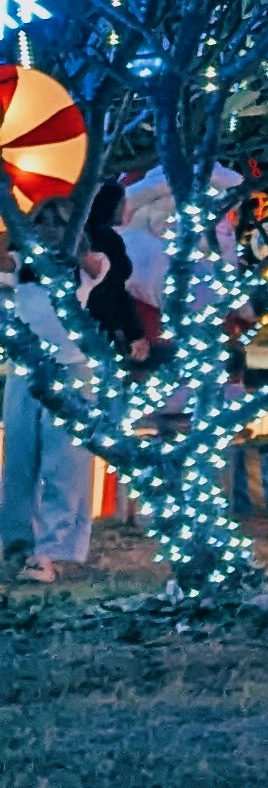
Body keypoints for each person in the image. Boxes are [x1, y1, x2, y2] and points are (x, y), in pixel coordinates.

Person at [3, 240, 99, 578]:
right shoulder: (21, 266)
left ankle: (52, 551)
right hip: (25, 370)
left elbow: (95, 268)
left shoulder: (86, 265)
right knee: (19, 459)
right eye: (43, 220)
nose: (50, 230)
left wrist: (64, 251)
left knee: (65, 462)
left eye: (59, 222)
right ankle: (17, 545)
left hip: (71, 368)